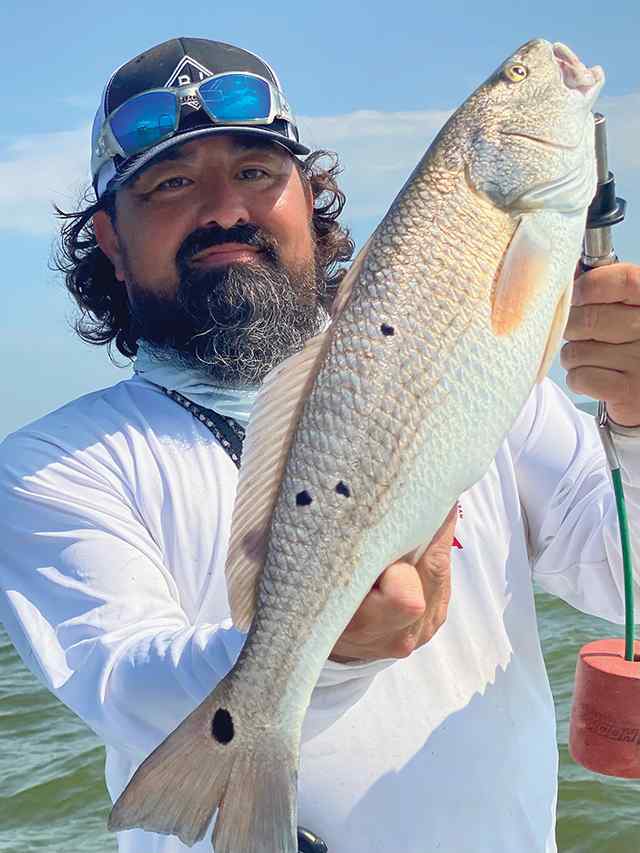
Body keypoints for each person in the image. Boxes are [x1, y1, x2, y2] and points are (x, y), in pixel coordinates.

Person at [1, 36, 639, 853]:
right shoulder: (56, 465)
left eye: (258, 172)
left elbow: (625, 574)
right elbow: (121, 683)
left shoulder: (477, 369)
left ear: (311, 194)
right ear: (112, 241)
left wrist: (635, 416)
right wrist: (323, 654)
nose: (223, 208)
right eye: (170, 184)